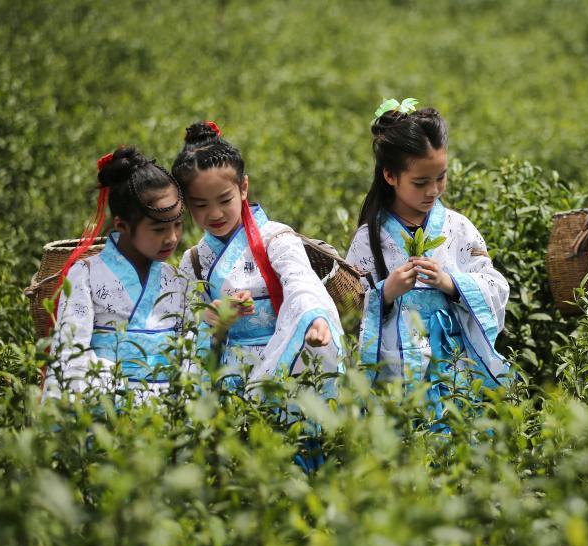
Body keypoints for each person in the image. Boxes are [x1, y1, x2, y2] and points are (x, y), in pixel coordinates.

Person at [345, 99, 509, 425]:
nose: (433, 191)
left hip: (455, 366)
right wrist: (385, 293)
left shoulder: (458, 228)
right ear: (390, 176)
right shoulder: (369, 238)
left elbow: (495, 285)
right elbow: (349, 310)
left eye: (441, 178)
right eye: (420, 183)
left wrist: (452, 284)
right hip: (395, 369)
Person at [172, 121, 342, 400]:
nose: (214, 213)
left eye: (224, 200)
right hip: (227, 374)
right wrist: (210, 317)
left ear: (243, 188)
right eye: (200, 205)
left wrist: (314, 316)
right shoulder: (194, 261)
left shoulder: (277, 239)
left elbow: (300, 281)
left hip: (281, 359)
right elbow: (182, 326)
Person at [47, 146, 187, 396]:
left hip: (167, 408)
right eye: (158, 229)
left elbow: (189, 351)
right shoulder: (85, 275)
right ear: (121, 225)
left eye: (178, 225)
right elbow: (70, 353)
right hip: (106, 404)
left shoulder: (176, 279)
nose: (172, 238)